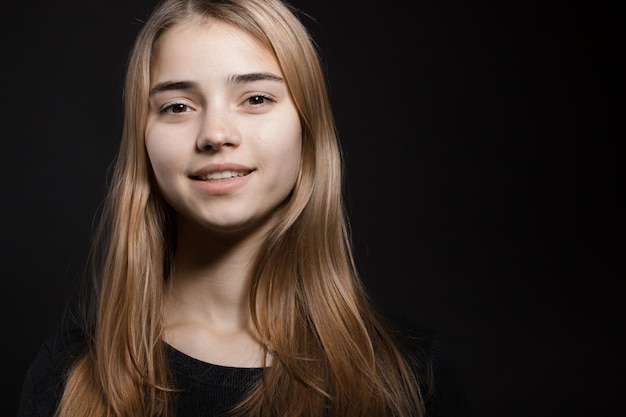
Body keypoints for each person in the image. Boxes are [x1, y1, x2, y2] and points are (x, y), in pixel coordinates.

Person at [17, 0, 471, 416]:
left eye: (256, 98)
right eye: (177, 106)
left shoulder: (412, 375)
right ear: (143, 141)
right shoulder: (67, 378)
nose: (215, 134)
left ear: (307, 129)